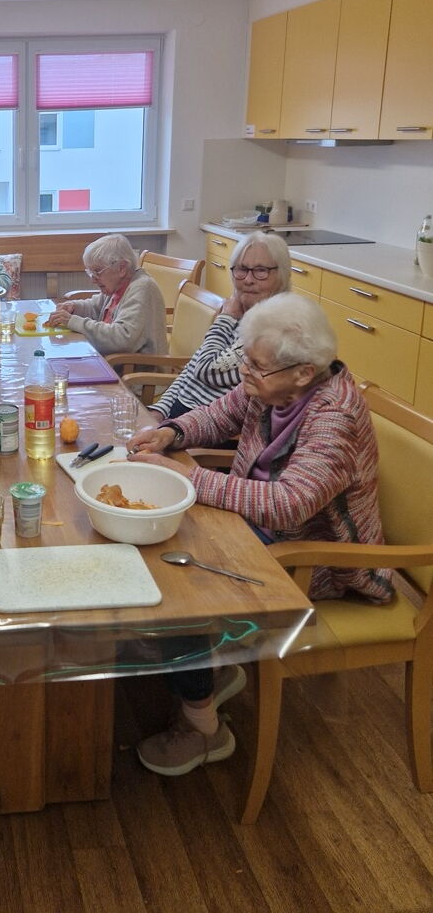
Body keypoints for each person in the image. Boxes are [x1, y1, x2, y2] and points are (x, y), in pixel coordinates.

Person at [127, 292, 392, 776]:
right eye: (246, 361)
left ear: (304, 372)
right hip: (263, 528)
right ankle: (202, 669)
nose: (244, 373)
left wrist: (192, 479)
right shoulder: (273, 387)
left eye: (256, 367)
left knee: (176, 584)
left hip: (319, 558)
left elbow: (289, 503)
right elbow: (220, 413)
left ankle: (203, 728)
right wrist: (171, 433)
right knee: (163, 544)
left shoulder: (335, 416)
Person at [151, 231, 292, 419]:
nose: (248, 280)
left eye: (261, 271)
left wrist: (224, 319)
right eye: (242, 269)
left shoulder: (272, 329)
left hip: (206, 424)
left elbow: (206, 370)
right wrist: (159, 410)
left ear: (281, 275)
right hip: (179, 416)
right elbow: (192, 368)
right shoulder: (240, 311)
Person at [45, 233, 167, 357]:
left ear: (122, 268)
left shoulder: (142, 288)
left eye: (97, 271)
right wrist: (74, 307)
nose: (93, 279)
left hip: (132, 366)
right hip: (111, 360)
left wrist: (73, 321)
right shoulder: (117, 286)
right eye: (90, 272)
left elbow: (123, 338)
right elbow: (95, 308)